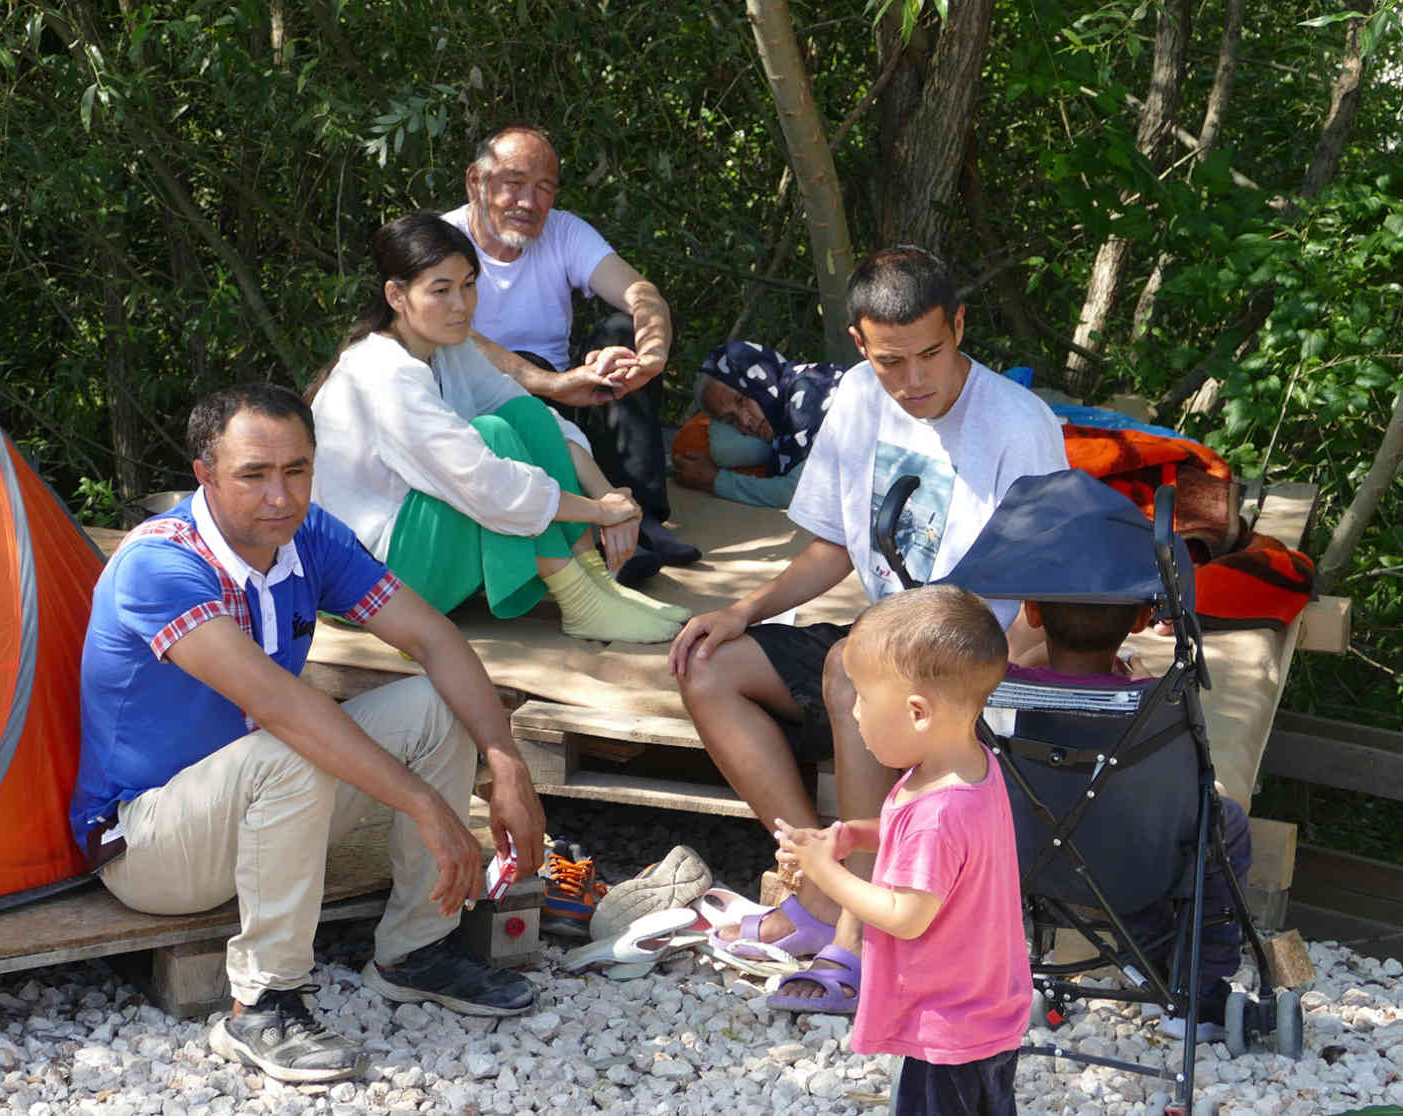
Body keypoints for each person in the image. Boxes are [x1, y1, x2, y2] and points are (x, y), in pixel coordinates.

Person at [71, 384, 550, 1084]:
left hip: (263, 809)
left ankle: (417, 950)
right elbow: (281, 708)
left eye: (297, 470)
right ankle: (263, 1004)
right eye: (254, 475)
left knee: (439, 704)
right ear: (204, 474)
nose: (280, 496)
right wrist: (426, 804)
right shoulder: (158, 565)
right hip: (145, 844)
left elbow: (432, 637)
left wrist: (507, 764)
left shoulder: (311, 537)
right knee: (288, 745)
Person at [669, 246, 1067, 972]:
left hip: (976, 667)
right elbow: (835, 545)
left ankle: (852, 922)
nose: (913, 380)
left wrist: (999, 672)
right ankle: (810, 876)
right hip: (880, 649)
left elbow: (1054, 592)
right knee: (707, 662)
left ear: (960, 326)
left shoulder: (1019, 424)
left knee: (851, 666)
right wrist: (741, 608)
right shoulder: (855, 396)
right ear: (859, 343)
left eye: (931, 354)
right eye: (891, 360)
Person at [311, 212, 687, 645]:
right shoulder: (381, 375)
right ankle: (579, 598)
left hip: (418, 558)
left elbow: (537, 419)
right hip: (370, 590)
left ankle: (595, 582)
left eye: (469, 284)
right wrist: (600, 513)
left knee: (523, 416)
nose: (462, 304)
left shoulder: (448, 349)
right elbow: (487, 485)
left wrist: (609, 493)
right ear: (396, 296)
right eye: (441, 290)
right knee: (491, 437)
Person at [775, 586, 1030, 1116]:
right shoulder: (968, 768)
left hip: (947, 1029)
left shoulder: (937, 812)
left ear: (917, 712)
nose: (857, 714)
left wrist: (825, 872)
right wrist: (856, 835)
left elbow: (905, 916)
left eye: (864, 699)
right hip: (980, 1011)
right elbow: (944, 855)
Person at [444, 122, 700, 583]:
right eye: (514, 183)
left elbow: (642, 294)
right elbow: (455, 337)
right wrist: (552, 383)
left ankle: (642, 518)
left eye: (544, 188)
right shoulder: (442, 242)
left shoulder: (564, 233)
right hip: (481, 412)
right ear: (476, 182)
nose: (529, 202)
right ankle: (587, 530)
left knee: (622, 336)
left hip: (566, 399)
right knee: (532, 374)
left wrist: (651, 355)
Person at [1010, 598, 1254, 1042]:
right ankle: (1196, 986)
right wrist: (1145, 681)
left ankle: (1150, 965)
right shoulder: (1159, 699)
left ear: (1033, 613)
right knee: (1224, 823)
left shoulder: (1010, 690)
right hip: (1136, 866)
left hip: (1031, 865)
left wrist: (1031, 655)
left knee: (1103, 836)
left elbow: (1021, 664)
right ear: (1143, 619)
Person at [669, 340, 841, 508]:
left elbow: (797, 492)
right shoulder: (783, 424)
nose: (745, 421)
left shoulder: (807, 391)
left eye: (741, 400)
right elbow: (722, 447)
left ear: (760, 377)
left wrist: (715, 480)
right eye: (731, 420)